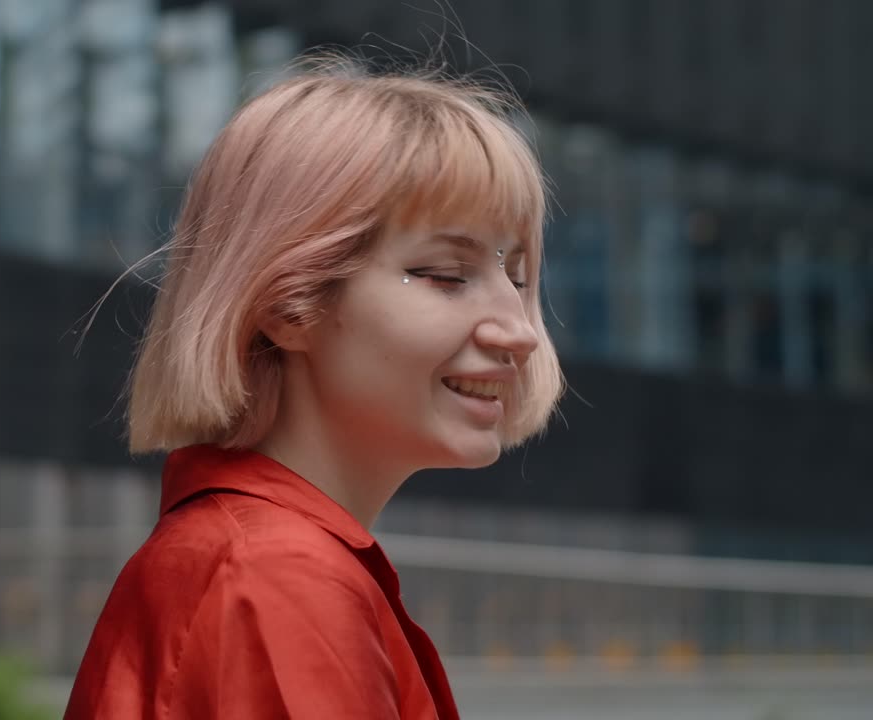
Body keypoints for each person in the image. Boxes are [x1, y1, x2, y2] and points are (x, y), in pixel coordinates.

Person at [64, 54, 563, 719]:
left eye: (518, 277)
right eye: (446, 274)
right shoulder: (273, 575)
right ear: (287, 306)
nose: (520, 330)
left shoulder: (253, 558)